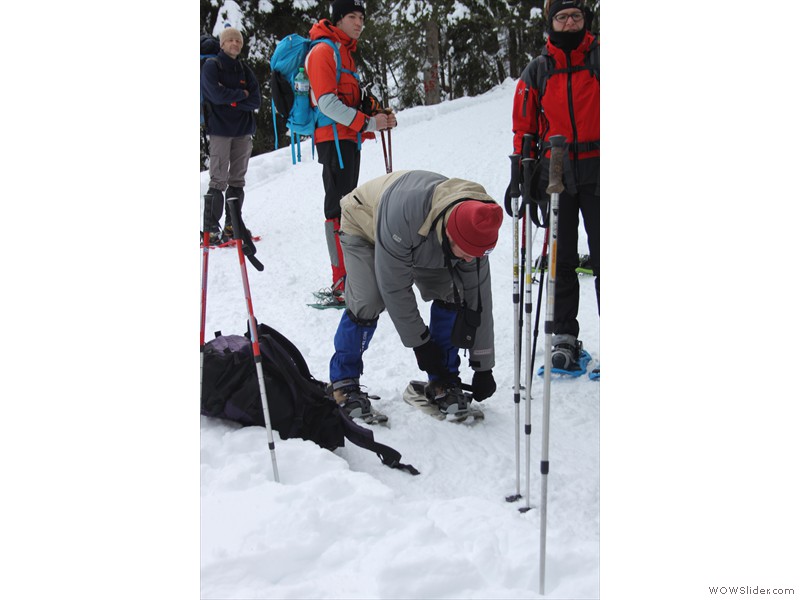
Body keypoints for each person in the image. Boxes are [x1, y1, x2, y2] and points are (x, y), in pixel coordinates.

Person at [328, 170, 503, 423]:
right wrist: (421, 344)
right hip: (364, 224)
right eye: (465, 253)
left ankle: (444, 381)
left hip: (423, 236)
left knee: (455, 293)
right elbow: (395, 288)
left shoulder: (476, 228)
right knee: (369, 300)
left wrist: (483, 366)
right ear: (452, 234)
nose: (469, 260)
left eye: (474, 255)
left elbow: (479, 298)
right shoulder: (405, 212)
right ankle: (343, 382)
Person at [511, 0, 599, 372]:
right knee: (560, 259)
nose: (569, 23)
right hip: (556, 174)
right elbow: (524, 127)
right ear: (551, 22)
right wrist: (522, 175)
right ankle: (564, 335)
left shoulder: (600, 61)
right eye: (562, 17)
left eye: (575, 16)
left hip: (601, 169)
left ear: (586, 19)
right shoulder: (538, 71)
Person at [306, 0, 398, 307]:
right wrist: (369, 122)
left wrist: (376, 113)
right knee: (337, 208)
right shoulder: (323, 51)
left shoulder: (345, 53)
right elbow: (326, 103)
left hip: (348, 139)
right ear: (337, 19)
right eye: (351, 17)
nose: (358, 22)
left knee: (348, 206)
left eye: (361, 17)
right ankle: (341, 281)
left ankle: (351, 276)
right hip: (332, 141)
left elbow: (353, 98)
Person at [201, 26, 261, 245]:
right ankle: (210, 229)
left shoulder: (244, 69)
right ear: (222, 44)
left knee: (237, 180)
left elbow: (255, 100)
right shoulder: (211, 66)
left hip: (243, 132)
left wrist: (231, 99)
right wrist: (240, 97)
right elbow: (214, 94)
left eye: (238, 41)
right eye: (230, 40)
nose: (235, 43)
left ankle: (232, 225)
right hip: (220, 131)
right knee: (218, 180)